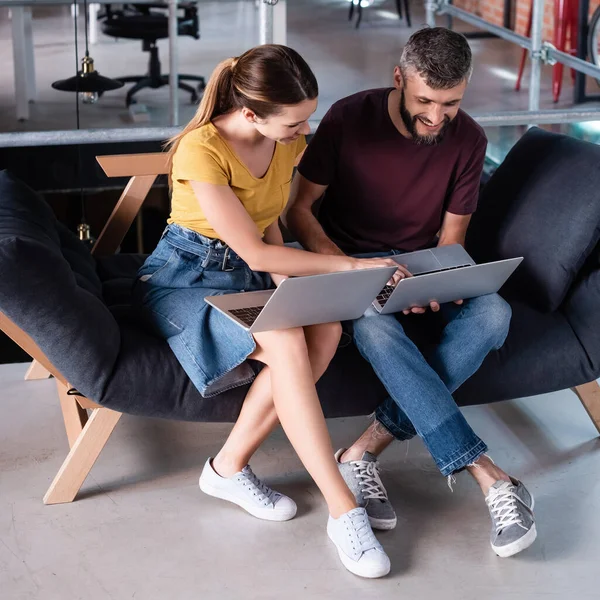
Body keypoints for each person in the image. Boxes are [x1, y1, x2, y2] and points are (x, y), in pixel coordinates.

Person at [134, 45, 402, 578]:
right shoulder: (200, 149)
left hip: (249, 275)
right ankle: (343, 509)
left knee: (324, 327)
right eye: (296, 121)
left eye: (309, 117)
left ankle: (227, 466)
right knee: (283, 340)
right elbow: (253, 249)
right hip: (186, 279)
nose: (305, 131)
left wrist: (291, 285)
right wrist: (344, 266)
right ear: (252, 113)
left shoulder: (285, 144)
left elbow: (269, 227)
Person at [285, 28, 537, 559]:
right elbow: (299, 210)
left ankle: (362, 449)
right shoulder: (349, 118)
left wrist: (434, 281)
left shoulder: (468, 138)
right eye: (425, 100)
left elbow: (452, 239)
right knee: (376, 328)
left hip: (420, 272)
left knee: (494, 314)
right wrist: (349, 268)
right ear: (398, 79)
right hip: (350, 271)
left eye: (451, 103)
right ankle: (489, 475)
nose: (437, 116)